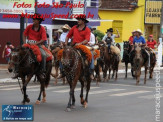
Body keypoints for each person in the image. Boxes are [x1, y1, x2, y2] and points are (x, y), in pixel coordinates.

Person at [13, 13, 47, 79]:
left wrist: (36, 44)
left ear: (38, 21)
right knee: (18, 53)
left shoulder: (42, 28)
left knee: (43, 55)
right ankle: (17, 71)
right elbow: (24, 34)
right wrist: (24, 42)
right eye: (33, 19)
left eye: (35, 19)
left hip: (38, 45)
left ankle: (42, 71)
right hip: (28, 44)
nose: (33, 20)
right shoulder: (29, 26)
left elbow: (43, 39)